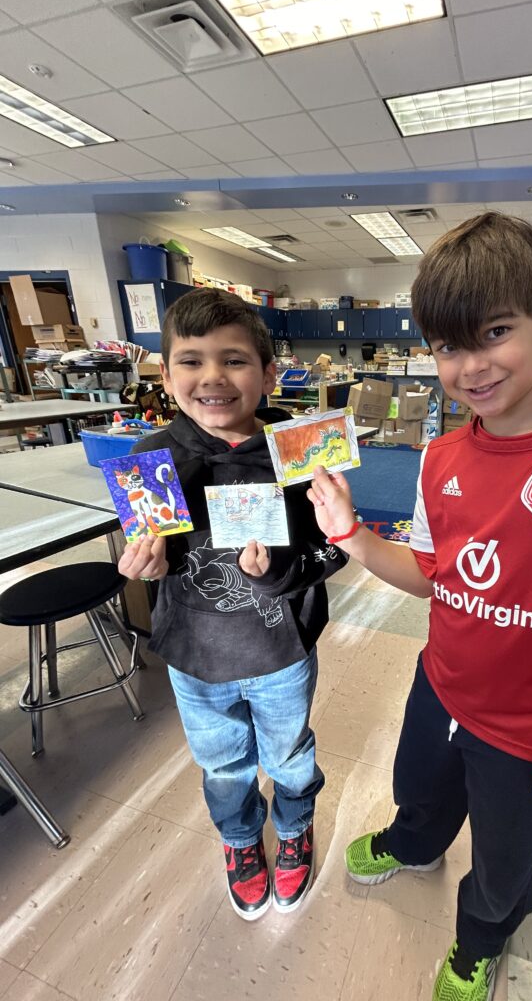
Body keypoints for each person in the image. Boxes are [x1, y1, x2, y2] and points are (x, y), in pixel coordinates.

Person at [308, 213, 532, 1001]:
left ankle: (480, 941)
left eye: (495, 334)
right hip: (440, 685)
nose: (471, 366)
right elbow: (441, 574)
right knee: (420, 789)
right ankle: (413, 842)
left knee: (507, 860)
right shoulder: (441, 456)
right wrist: (352, 539)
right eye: (448, 346)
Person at [118, 288, 346, 921]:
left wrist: (281, 573)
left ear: (270, 373)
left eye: (234, 360)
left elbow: (338, 551)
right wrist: (146, 566)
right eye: (190, 361)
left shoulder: (300, 454)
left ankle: (294, 826)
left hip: (280, 652)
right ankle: (242, 842)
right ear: (165, 375)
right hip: (195, 660)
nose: (212, 377)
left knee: (290, 757)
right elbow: (154, 561)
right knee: (222, 766)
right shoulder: (150, 458)